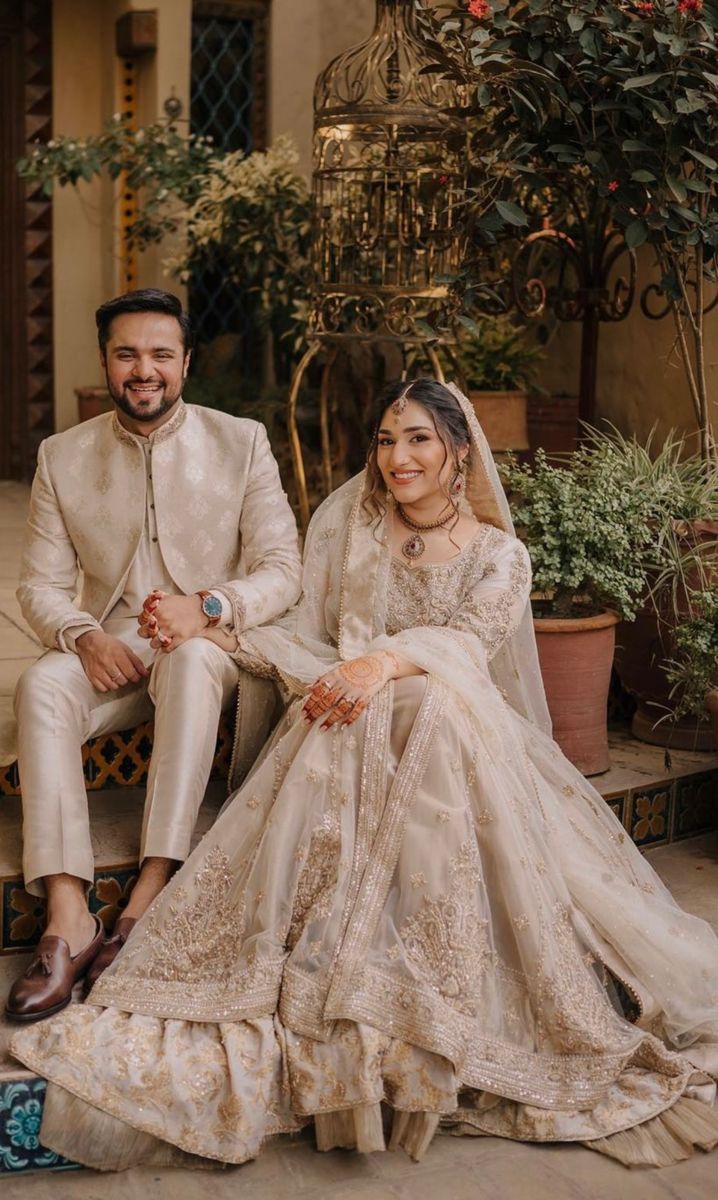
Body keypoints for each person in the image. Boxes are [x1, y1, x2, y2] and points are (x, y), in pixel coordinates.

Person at [10, 379, 718, 1170]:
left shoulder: (498, 555)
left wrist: (381, 666)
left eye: (418, 439)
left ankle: (425, 990)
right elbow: (302, 627)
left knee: (433, 709)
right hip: (348, 721)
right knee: (349, 708)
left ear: (458, 453)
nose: (398, 457)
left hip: (446, 734)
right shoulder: (349, 524)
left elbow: (468, 650)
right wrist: (222, 627)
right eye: (386, 440)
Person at [5, 289, 301, 1023]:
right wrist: (83, 635)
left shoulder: (243, 441)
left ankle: (149, 892)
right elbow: (38, 585)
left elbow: (284, 568)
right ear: (106, 362)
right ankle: (68, 915)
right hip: (115, 647)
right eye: (127, 354)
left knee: (195, 664)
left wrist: (206, 607)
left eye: (161, 355)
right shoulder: (61, 456)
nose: (145, 370)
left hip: (212, 646)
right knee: (43, 685)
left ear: (185, 363)